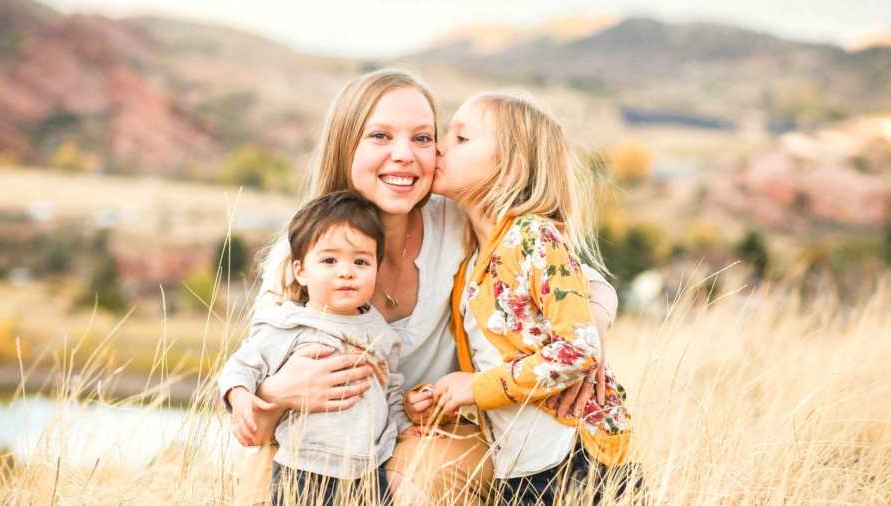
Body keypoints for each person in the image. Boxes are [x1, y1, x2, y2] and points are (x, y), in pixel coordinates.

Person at [225, 69, 619, 505]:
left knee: (417, 471)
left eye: (422, 138)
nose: (404, 155)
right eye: (379, 136)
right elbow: (254, 413)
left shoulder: (456, 218)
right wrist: (276, 393)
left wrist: (589, 339)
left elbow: (585, 281)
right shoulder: (303, 252)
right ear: (345, 147)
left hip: (433, 433)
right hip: (334, 437)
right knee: (265, 471)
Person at [423, 91, 639, 505]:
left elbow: (578, 350)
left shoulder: (533, 237)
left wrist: (476, 387)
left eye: (461, 139)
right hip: (521, 470)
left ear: (511, 166)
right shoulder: (473, 259)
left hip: (573, 463)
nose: (439, 147)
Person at [219, 190, 405, 505]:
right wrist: (239, 398)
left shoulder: (381, 333)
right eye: (329, 260)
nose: (346, 271)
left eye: (361, 261)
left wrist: (405, 424)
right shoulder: (289, 324)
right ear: (301, 270)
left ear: (376, 267)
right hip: (304, 468)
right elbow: (241, 366)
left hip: (370, 469)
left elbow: (391, 390)